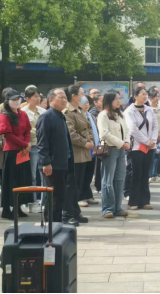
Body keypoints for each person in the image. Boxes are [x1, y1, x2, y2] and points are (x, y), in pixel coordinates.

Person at [37, 89, 78, 225]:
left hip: (63, 162)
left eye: (65, 97)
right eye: (60, 97)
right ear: (50, 100)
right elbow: (42, 142)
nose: (64, 100)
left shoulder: (61, 116)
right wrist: (46, 162)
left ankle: (57, 223)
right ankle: (51, 225)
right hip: (52, 164)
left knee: (60, 196)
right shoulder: (46, 117)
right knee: (54, 196)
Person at [0, 89, 33, 220]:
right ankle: (6, 209)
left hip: (23, 151)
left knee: (22, 180)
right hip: (12, 151)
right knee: (11, 180)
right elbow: (7, 134)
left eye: (18, 99)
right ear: (7, 101)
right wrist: (24, 144)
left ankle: (18, 207)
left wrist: (26, 144)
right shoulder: (4, 115)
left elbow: (28, 130)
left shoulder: (23, 114)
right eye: (13, 99)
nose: (16, 102)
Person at [124, 86, 158, 211]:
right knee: (136, 173)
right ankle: (134, 201)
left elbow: (155, 126)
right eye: (142, 94)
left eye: (146, 94)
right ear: (135, 96)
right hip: (136, 147)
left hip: (150, 147)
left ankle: (145, 201)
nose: (145, 96)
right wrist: (146, 141)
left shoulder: (149, 110)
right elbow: (132, 129)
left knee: (145, 173)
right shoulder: (129, 111)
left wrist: (153, 141)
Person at [63, 85, 94, 224]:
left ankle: (76, 212)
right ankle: (69, 213)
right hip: (75, 153)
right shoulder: (67, 112)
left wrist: (91, 139)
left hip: (84, 153)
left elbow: (88, 128)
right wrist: (84, 142)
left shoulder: (80, 111)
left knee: (79, 185)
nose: (84, 96)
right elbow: (71, 133)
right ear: (74, 96)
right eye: (81, 94)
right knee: (72, 185)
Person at [97, 91, 131, 219]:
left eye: (119, 98)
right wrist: (121, 143)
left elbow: (126, 130)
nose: (118, 101)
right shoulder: (103, 115)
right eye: (116, 99)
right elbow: (104, 134)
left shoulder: (120, 115)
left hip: (121, 150)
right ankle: (107, 209)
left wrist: (126, 142)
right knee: (108, 180)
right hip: (110, 150)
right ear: (109, 100)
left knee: (120, 179)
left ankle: (118, 208)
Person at [23, 87, 46, 210]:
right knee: (32, 175)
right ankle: (32, 202)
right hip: (31, 146)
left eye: (39, 96)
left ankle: (44, 201)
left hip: (44, 146)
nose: (38, 99)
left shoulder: (43, 111)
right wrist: (40, 132)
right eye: (35, 96)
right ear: (27, 98)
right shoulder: (23, 112)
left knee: (44, 174)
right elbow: (26, 130)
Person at [81, 96, 99, 207]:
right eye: (84, 102)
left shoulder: (90, 115)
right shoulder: (78, 115)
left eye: (88, 102)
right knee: (81, 175)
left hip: (93, 148)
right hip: (83, 148)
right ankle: (79, 197)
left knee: (89, 174)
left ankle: (87, 195)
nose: (87, 104)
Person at [148, 87, 160, 182]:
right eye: (156, 96)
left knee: (159, 154)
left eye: (159, 96)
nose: (158, 98)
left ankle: (156, 173)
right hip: (150, 136)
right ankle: (151, 174)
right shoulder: (147, 108)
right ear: (151, 98)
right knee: (151, 156)